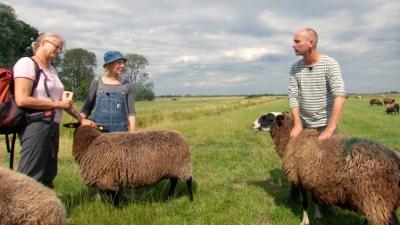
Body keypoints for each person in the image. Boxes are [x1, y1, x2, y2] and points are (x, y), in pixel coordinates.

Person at [13, 32, 82, 188]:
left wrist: (81, 118)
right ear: (43, 43)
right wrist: (57, 105)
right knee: (30, 174)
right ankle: (22, 210)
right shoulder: (27, 63)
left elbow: (62, 102)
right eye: (57, 47)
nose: (59, 51)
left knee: (48, 173)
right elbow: (22, 99)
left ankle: (45, 209)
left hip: (52, 125)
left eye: (61, 49)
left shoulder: (51, 69)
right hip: (35, 124)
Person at [287, 28, 346, 202]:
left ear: (310, 43)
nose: (293, 44)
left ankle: (326, 202)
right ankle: (295, 194)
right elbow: (293, 96)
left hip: (325, 124)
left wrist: (330, 128)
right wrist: (297, 124)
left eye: (297, 41)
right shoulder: (295, 68)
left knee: (328, 166)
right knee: (297, 159)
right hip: (304, 124)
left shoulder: (330, 64)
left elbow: (339, 95)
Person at [80, 51, 136, 133]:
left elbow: (131, 112)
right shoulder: (97, 83)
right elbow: (86, 108)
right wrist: (80, 120)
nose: (123, 65)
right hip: (98, 132)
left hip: (120, 133)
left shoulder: (127, 85)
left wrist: (133, 129)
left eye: (123, 62)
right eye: (119, 62)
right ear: (109, 64)